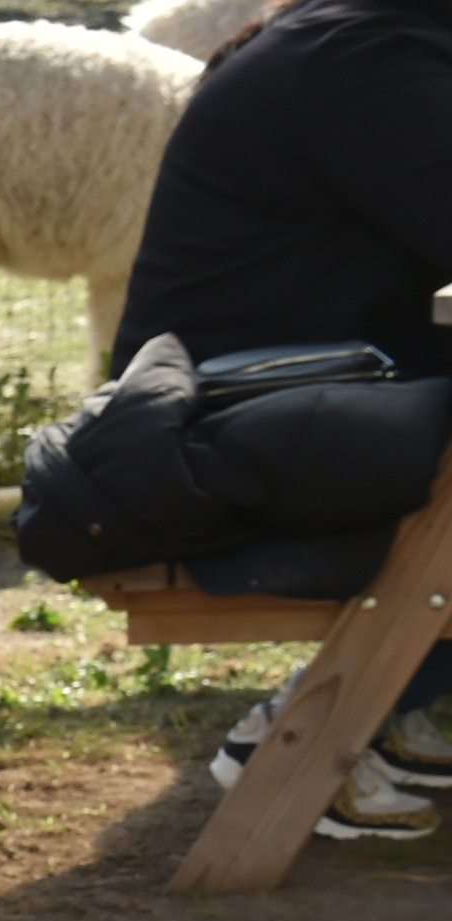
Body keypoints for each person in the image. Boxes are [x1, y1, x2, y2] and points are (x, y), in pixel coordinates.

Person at [112, 0, 452, 837]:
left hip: (241, 420)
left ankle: (397, 716)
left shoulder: (356, 40)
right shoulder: (365, 60)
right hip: (216, 445)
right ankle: (309, 733)